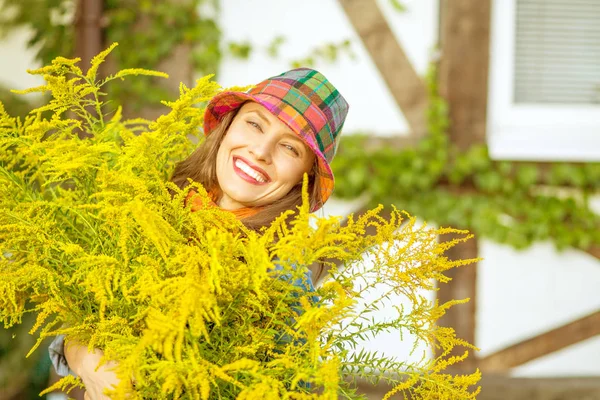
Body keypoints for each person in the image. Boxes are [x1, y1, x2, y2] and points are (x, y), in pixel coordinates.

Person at [48, 67, 349, 399]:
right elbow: (79, 324)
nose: (261, 151)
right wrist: (88, 362)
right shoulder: (151, 206)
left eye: (290, 148)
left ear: (303, 178)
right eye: (254, 124)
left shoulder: (283, 281)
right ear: (228, 125)